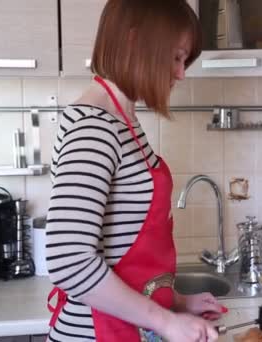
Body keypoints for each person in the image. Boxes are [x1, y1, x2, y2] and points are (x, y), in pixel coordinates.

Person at [45, 1, 223, 341]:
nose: (181, 73)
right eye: (175, 57)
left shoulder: (121, 120)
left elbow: (123, 248)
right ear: (133, 41)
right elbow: (68, 259)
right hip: (95, 333)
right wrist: (166, 322)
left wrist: (176, 302)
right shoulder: (94, 128)